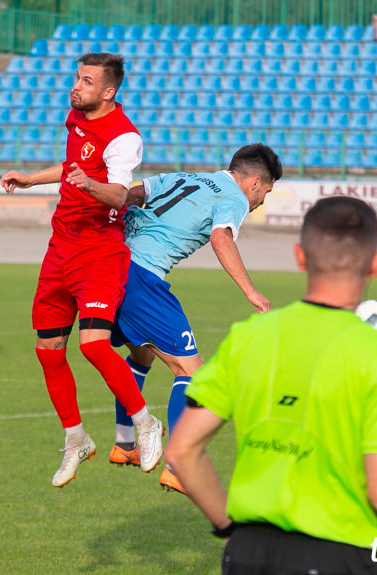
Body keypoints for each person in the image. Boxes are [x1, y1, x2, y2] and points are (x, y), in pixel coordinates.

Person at [165, 196, 377, 574]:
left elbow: (181, 451)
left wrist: (230, 528)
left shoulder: (249, 335)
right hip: (336, 553)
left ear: (300, 256)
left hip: (246, 555)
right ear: (376, 264)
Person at [0, 52, 164, 488]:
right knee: (47, 350)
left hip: (99, 250)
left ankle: (145, 423)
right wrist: (32, 179)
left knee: (93, 345)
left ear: (108, 92)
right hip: (61, 246)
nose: (76, 86)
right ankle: (76, 439)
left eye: (86, 81)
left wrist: (90, 186)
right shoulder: (76, 120)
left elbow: (118, 191)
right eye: (77, 77)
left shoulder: (124, 137)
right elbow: (73, 169)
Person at [108, 144, 283, 495]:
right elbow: (221, 238)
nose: (262, 200)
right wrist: (250, 290)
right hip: (142, 277)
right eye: (266, 191)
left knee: (142, 353)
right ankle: (177, 466)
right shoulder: (234, 198)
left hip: (111, 265)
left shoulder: (188, 177)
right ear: (254, 182)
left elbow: (131, 195)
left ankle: (124, 443)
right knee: (190, 371)